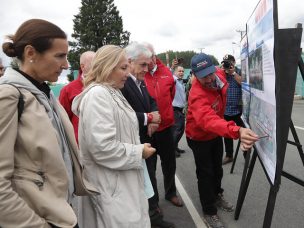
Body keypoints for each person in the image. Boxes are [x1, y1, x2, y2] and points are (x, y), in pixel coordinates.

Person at [0, 18, 97, 228]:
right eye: (59, 56)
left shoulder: (43, 92)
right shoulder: (9, 96)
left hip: (61, 212)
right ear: (31, 53)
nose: (66, 64)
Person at [72, 45, 156, 228]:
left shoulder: (112, 91)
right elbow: (102, 147)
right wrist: (138, 151)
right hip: (112, 187)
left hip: (119, 183)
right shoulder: (98, 95)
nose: (128, 72)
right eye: (123, 68)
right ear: (107, 67)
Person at [186, 53, 259, 228]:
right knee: (205, 174)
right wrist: (237, 130)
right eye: (204, 77)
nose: (210, 79)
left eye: (211, 73)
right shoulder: (197, 96)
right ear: (195, 75)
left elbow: (228, 79)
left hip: (214, 134)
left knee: (217, 169)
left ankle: (217, 195)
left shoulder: (218, 74)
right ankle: (209, 211)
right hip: (199, 137)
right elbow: (209, 121)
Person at [121, 42, 175, 228]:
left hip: (147, 139)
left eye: (149, 63)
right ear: (129, 62)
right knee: (146, 179)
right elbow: (121, 115)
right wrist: (149, 118)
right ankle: (153, 216)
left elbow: (152, 101)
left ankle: (154, 212)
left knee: (150, 177)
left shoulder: (139, 81)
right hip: (135, 143)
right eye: (143, 64)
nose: (147, 68)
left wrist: (153, 119)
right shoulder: (123, 83)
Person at [142, 42, 183, 207]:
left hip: (166, 128)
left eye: (150, 57)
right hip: (147, 130)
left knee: (169, 163)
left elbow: (171, 95)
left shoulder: (166, 72)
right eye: (144, 59)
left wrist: (164, 114)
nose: (148, 61)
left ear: (154, 55)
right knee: (149, 167)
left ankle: (171, 193)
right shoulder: (140, 72)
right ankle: (154, 202)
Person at [59, 51, 95, 143]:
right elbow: (63, 120)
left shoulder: (105, 86)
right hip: (80, 145)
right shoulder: (68, 90)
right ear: (83, 67)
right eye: (94, 64)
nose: (98, 68)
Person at [221, 54, 246, 165]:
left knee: (243, 133)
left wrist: (233, 73)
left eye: (229, 62)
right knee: (227, 133)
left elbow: (244, 84)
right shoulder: (221, 73)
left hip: (238, 110)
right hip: (225, 110)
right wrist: (222, 71)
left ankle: (246, 154)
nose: (227, 64)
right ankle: (229, 155)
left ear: (234, 63)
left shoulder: (240, 71)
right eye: (225, 62)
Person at [172, 66, 187, 157]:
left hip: (181, 110)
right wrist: (172, 67)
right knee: (177, 130)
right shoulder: (173, 80)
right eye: (179, 71)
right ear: (174, 72)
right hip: (175, 109)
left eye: (182, 71)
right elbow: (169, 74)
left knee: (180, 130)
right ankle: (172, 149)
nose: (181, 72)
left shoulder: (180, 82)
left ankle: (175, 146)